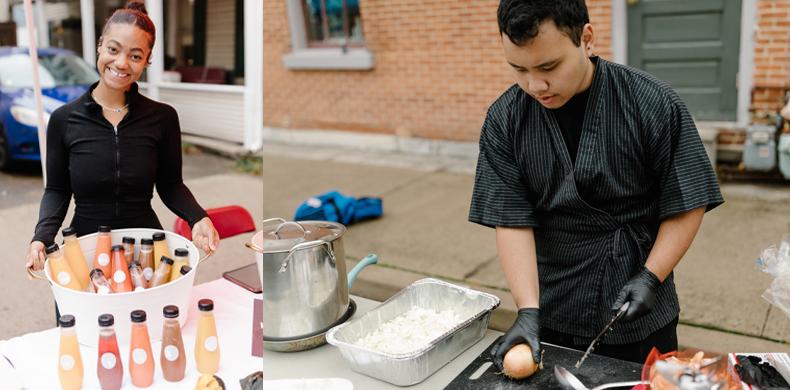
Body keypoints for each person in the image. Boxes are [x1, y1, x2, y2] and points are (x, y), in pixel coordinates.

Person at [469, 0, 724, 367]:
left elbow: (687, 201)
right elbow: (512, 221)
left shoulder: (652, 103)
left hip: (638, 301)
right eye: (518, 69)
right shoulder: (505, 120)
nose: (535, 84)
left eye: (549, 66)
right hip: (553, 303)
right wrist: (527, 309)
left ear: (586, 39)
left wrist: (652, 277)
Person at [25, 1, 219, 273]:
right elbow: (57, 190)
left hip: (146, 249)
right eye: (113, 50)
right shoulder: (63, 119)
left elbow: (171, 184)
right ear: (100, 47)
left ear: (147, 61)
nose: (121, 63)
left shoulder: (162, 118)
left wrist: (198, 218)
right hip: (84, 250)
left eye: (135, 56)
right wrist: (41, 237)